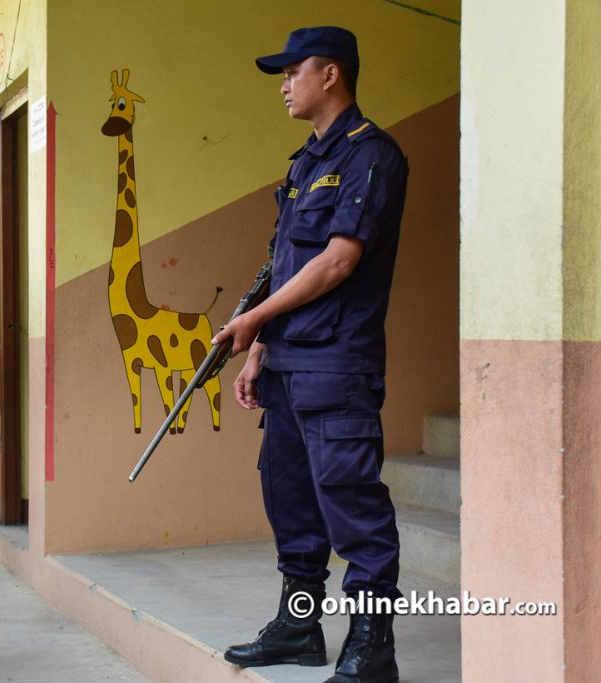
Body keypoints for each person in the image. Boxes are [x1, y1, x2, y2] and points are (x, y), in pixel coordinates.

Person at [214, 27, 408, 683]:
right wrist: (260, 347)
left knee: (350, 501)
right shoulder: (303, 164)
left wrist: (252, 319)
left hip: (336, 362)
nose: (283, 84)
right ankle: (299, 625)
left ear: (330, 75)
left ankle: (371, 647)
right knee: (290, 494)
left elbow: (337, 262)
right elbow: (284, 264)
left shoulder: (370, 155)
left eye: (292, 72)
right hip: (289, 363)